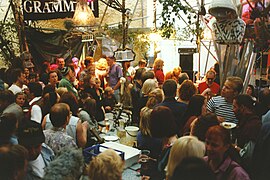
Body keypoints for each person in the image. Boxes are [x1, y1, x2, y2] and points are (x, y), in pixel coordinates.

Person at [233, 94, 261, 172]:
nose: (233, 110)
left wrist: (233, 146)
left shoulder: (253, 125)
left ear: (242, 108)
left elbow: (247, 154)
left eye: (234, 107)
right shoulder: (245, 120)